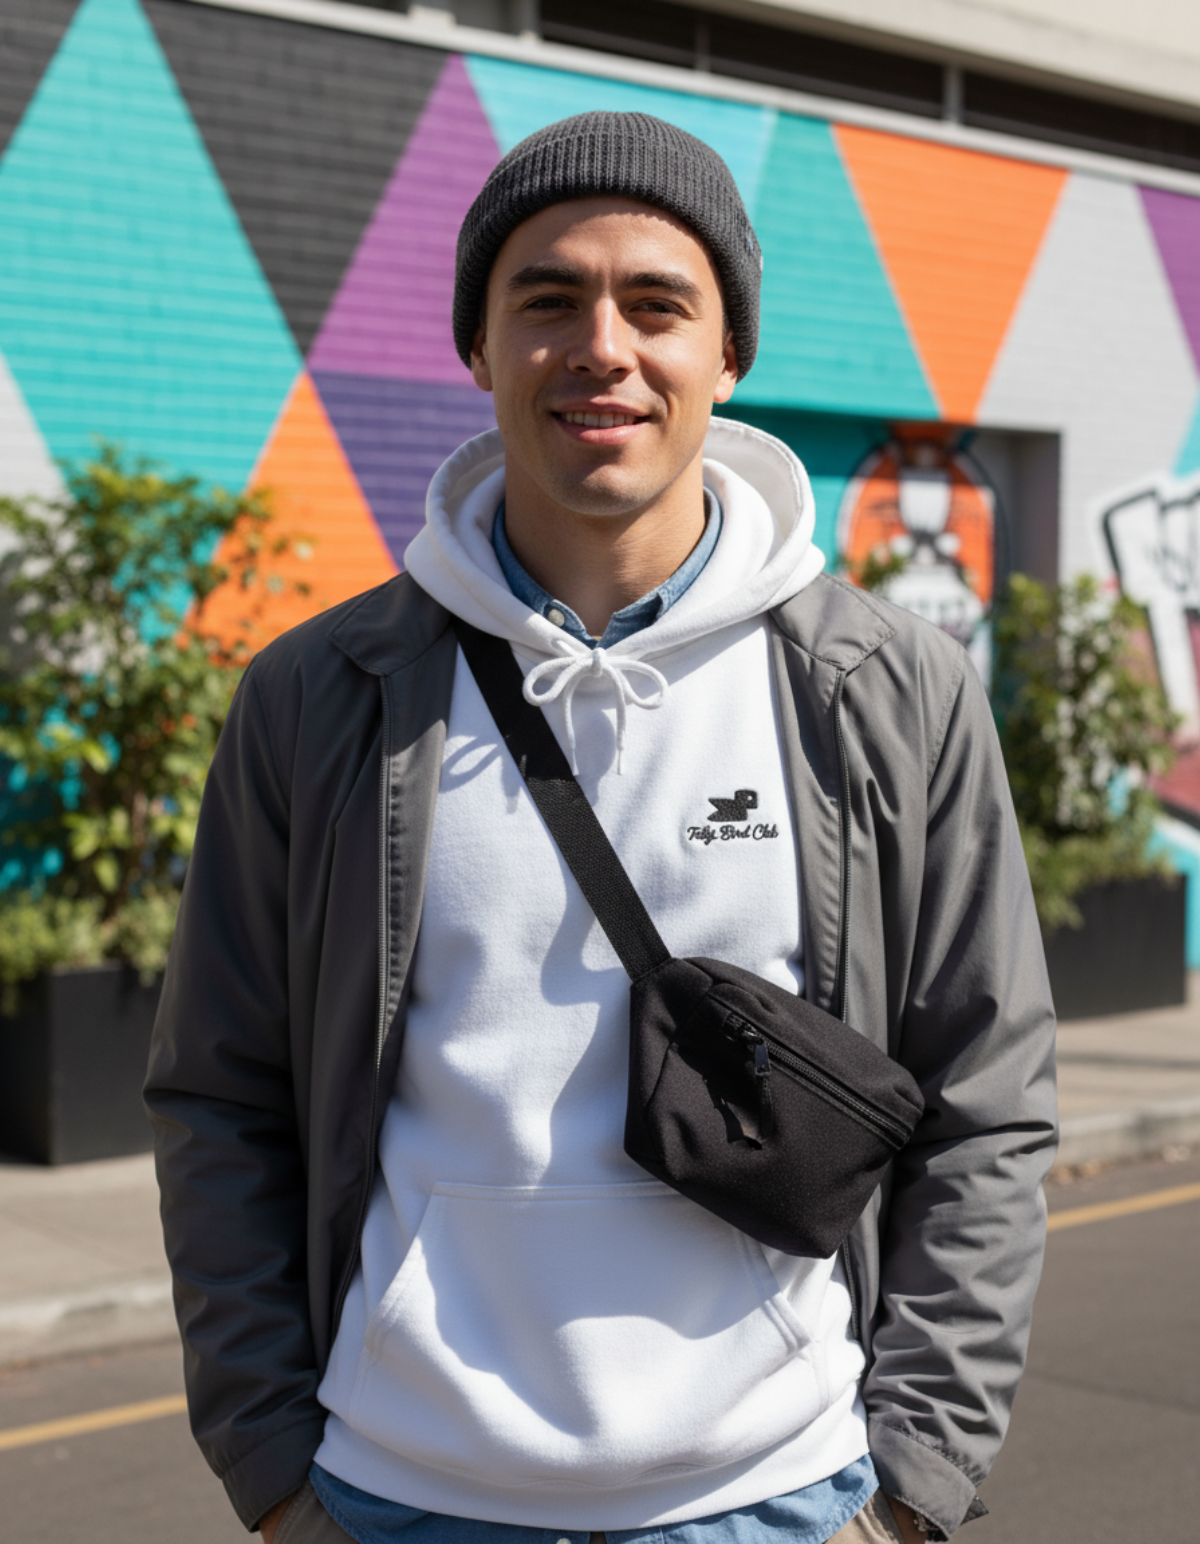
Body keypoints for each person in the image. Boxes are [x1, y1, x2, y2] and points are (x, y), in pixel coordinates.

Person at [146, 113, 1057, 1544]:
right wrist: (270, 1472)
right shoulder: (321, 697)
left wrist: (912, 1490)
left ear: (728, 352)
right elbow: (221, 1096)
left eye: (657, 304)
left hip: (781, 1500)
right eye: (549, 299)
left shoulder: (886, 689)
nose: (602, 347)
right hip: (398, 1497)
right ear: (480, 344)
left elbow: (986, 1103)